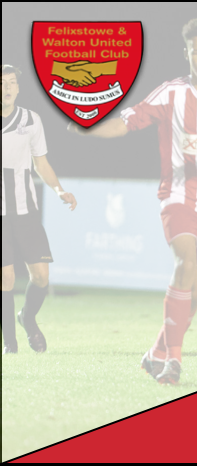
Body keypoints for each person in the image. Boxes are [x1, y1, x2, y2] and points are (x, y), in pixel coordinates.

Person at [68, 18, 197, 383]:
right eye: (195, 52)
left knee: (193, 295)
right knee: (185, 261)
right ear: (186, 54)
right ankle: (173, 362)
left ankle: (156, 352)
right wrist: (90, 127)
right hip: (178, 196)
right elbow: (127, 122)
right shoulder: (170, 93)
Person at [2, 64, 77, 354]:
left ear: (18, 88)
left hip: (26, 211)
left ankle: (27, 318)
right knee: (6, 278)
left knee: (41, 277)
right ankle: (10, 343)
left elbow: (41, 163)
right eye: (2, 83)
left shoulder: (31, 120)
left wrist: (59, 190)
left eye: (11, 82)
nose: (6, 88)